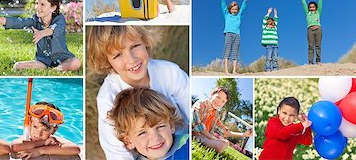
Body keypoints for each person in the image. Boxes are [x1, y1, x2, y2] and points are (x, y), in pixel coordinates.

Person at [87, 25, 189, 160]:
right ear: (107, 61)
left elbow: (192, 113)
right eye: (118, 55)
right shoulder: (107, 97)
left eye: (134, 46)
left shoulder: (169, 72)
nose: (131, 59)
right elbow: (117, 154)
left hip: (179, 142)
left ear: (145, 41)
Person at [0, 0, 81, 71]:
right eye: (37, 3)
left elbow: (55, 29)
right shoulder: (34, 20)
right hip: (43, 61)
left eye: (42, 4)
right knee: (18, 66)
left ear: (53, 8)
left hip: (63, 58)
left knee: (76, 62)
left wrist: (42, 33)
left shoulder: (59, 19)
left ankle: (57, 69)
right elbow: (18, 22)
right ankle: (50, 68)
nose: (38, 7)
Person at [107, 87, 189, 160]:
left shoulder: (188, 145)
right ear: (128, 141)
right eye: (142, 133)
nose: (155, 137)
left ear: (171, 125)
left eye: (160, 127)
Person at [192, 87, 252, 153]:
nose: (219, 102)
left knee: (225, 143)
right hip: (195, 134)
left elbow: (224, 132)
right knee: (220, 144)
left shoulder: (215, 113)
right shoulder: (201, 104)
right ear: (212, 95)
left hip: (205, 137)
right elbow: (199, 127)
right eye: (218, 97)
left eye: (223, 101)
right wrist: (215, 139)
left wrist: (244, 134)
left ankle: (213, 144)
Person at [12, 101, 81, 159]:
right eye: (35, 127)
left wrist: (40, 151)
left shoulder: (53, 140)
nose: (38, 134)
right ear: (29, 123)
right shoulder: (26, 138)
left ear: (54, 130)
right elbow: (15, 147)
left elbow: (75, 149)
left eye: (45, 130)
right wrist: (43, 143)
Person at [221, 0, 248, 74]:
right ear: (230, 9)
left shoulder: (239, 16)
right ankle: (226, 70)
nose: (234, 10)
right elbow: (223, 5)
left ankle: (234, 70)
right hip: (229, 34)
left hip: (237, 35)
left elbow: (243, 7)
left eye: (236, 9)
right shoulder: (227, 15)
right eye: (233, 9)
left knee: (235, 53)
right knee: (227, 51)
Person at [298, 0, 324, 66]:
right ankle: (310, 62)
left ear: (316, 7)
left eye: (313, 7)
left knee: (318, 45)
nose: (311, 8)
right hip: (310, 30)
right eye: (310, 7)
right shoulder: (308, 13)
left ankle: (318, 61)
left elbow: (320, 3)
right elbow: (304, 4)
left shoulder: (318, 12)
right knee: (310, 46)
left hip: (318, 29)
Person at [261, 8, 279, 72]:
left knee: (275, 58)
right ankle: (268, 69)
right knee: (268, 58)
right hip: (269, 45)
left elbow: (276, 20)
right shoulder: (265, 28)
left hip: (275, 45)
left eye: (272, 24)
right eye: (269, 24)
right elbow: (264, 20)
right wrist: (268, 13)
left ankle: (275, 68)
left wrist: (275, 14)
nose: (271, 26)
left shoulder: (275, 28)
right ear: (266, 24)